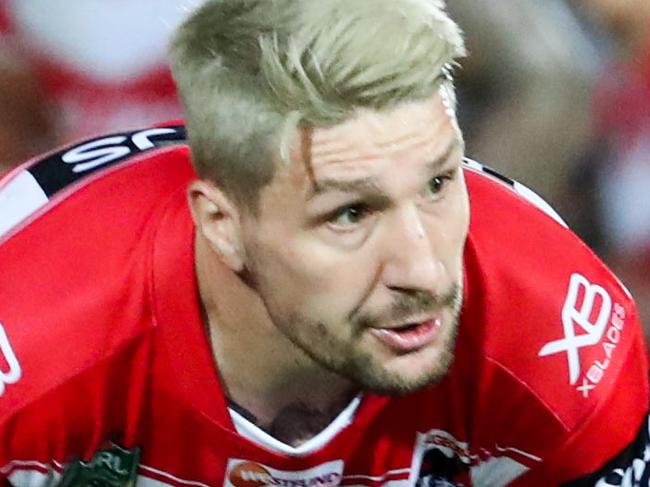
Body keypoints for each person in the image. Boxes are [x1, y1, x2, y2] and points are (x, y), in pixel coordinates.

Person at [0, 1, 647, 486]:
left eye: (438, 183)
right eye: (349, 213)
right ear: (224, 225)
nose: (423, 269)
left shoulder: (555, 333)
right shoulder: (29, 341)